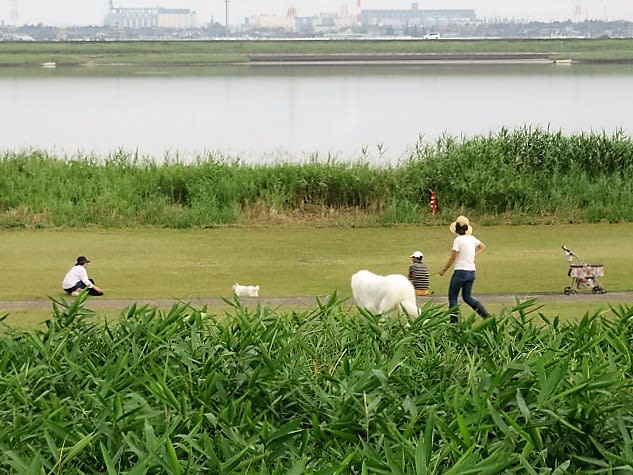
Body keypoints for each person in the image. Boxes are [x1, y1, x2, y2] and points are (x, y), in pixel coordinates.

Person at [438, 216, 489, 322]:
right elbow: (483, 246)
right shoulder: (472, 239)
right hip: (471, 272)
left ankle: (454, 323)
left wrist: (444, 270)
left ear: (456, 228)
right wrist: (474, 255)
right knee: (467, 297)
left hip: (460, 272)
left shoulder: (458, 240)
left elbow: (452, 258)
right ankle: (486, 316)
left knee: (452, 297)